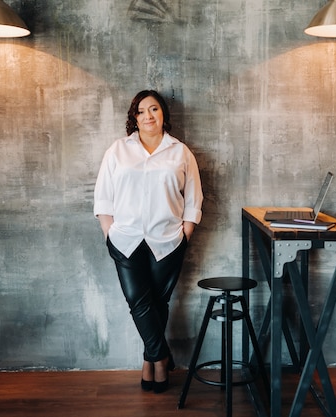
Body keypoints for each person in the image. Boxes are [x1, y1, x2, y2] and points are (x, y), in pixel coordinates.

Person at [94, 90, 203, 393]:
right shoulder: (118, 150)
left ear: (163, 114)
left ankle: (150, 363)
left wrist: (187, 231)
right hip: (125, 239)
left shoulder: (180, 152)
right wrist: (108, 231)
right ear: (134, 118)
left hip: (168, 239)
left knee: (158, 303)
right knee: (138, 302)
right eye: (141, 111)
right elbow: (103, 195)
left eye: (154, 109)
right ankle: (161, 356)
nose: (148, 116)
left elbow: (194, 198)